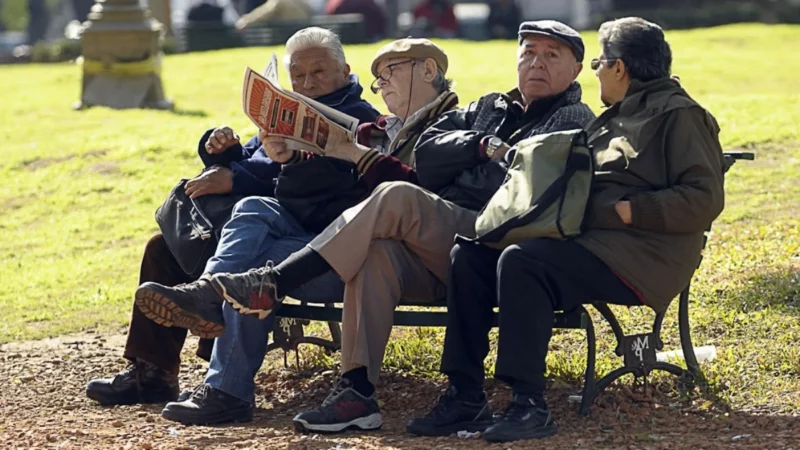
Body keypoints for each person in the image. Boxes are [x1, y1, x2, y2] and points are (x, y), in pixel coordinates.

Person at [136, 20, 595, 433]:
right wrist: (481, 148)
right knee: (345, 243)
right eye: (528, 53)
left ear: (576, 68)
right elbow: (434, 160)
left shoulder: (570, 117)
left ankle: (263, 287)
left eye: (550, 55)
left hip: (497, 243)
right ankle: (355, 391)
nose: (535, 63)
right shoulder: (489, 107)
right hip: (433, 241)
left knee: (391, 197)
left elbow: (502, 184)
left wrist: (472, 159)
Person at [408, 17, 726, 443]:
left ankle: (528, 404)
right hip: (590, 244)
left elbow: (704, 199)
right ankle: (464, 394)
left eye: (598, 62)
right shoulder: (617, 116)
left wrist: (629, 210)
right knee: (471, 253)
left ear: (620, 68)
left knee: (523, 262)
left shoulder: (678, 115)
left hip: (643, 257)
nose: (595, 71)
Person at [133, 37, 458, 426]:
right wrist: (231, 155)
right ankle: (203, 309)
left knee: (254, 267)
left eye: (390, 73)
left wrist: (272, 167)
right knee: (245, 216)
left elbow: (389, 199)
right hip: (301, 239)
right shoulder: (380, 128)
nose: (308, 82)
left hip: (353, 254)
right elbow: (269, 171)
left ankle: (225, 386)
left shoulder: (428, 124)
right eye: (298, 74)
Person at [85, 27, 379, 409]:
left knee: (249, 234)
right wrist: (223, 150)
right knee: (164, 249)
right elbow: (257, 157)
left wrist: (236, 177)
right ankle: (153, 373)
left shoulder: (358, 120)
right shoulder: (290, 108)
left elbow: (314, 184)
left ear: (345, 70)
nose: (308, 83)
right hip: (260, 224)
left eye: (319, 73)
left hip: (309, 238)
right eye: (299, 75)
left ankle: (221, 361)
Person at [235, 0, 312, 31]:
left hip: (284, 35)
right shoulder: (302, 2)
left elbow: (264, 13)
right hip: (300, 34)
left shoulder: (278, 2)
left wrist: (246, 20)